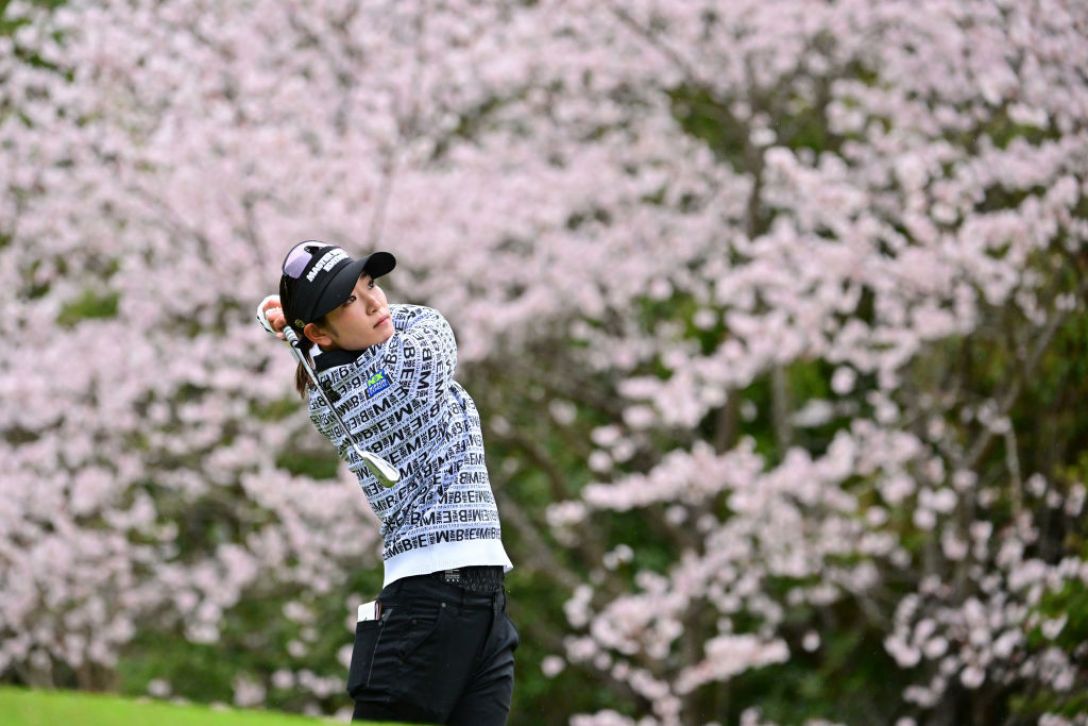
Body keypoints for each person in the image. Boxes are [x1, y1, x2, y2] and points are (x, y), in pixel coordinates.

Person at [260, 240, 518, 725]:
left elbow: (355, 332)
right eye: (349, 301)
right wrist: (298, 327)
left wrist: (305, 327)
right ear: (320, 332)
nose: (376, 303)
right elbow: (435, 325)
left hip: (479, 599)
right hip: (432, 602)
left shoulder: (334, 369)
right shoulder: (392, 375)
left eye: (371, 286)